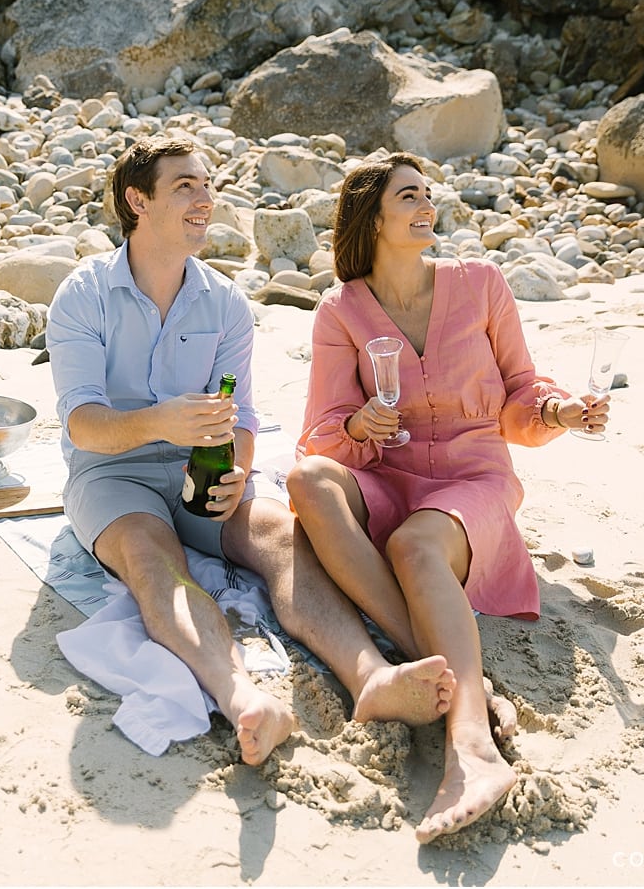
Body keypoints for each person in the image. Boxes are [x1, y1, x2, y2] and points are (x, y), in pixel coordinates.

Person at [46, 136, 459, 767]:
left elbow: (239, 414)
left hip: (203, 465)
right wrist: (160, 421)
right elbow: (82, 425)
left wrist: (238, 470)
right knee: (150, 557)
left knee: (280, 537)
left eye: (207, 185)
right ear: (137, 200)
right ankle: (244, 700)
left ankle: (371, 676)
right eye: (185, 186)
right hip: (114, 474)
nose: (205, 199)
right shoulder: (84, 294)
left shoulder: (226, 302)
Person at [285, 152, 606, 842]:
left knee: (415, 543)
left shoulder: (481, 283)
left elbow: (523, 390)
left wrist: (558, 412)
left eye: (429, 193)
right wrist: (356, 425)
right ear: (371, 216)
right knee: (306, 480)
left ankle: (471, 746)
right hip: (387, 475)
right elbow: (319, 432)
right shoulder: (341, 311)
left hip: (472, 483)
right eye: (409, 196)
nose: (427, 206)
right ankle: (448, 663)